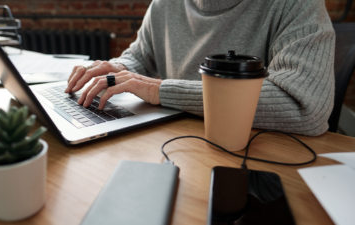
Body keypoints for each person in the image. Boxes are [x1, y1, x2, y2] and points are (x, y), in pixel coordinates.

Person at [65, 0, 335, 136]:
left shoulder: (295, 5)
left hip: (254, 165)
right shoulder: (165, 4)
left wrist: (161, 90)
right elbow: (140, 56)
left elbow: (305, 109)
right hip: (176, 144)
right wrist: (118, 68)